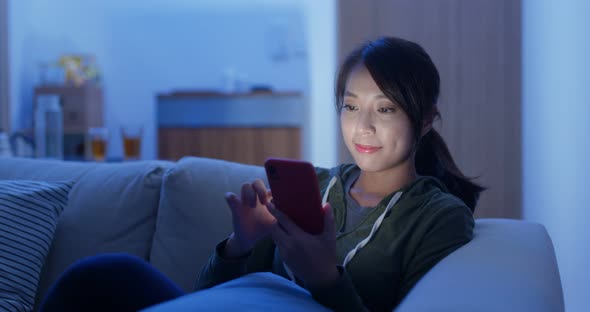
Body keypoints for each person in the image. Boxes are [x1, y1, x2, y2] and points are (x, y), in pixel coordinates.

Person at [40, 36, 484, 312]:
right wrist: (240, 246)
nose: (362, 127)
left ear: (425, 121)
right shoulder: (314, 183)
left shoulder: (438, 216)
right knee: (102, 275)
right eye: (350, 106)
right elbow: (205, 295)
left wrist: (325, 277)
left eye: (385, 109)